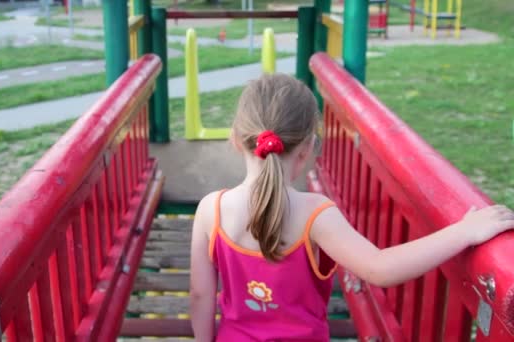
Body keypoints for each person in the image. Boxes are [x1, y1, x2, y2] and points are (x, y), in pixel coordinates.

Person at [188, 73, 514, 341]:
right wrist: (463, 232)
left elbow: (200, 295)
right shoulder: (315, 215)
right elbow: (380, 268)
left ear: (235, 138)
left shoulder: (210, 210)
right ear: (307, 150)